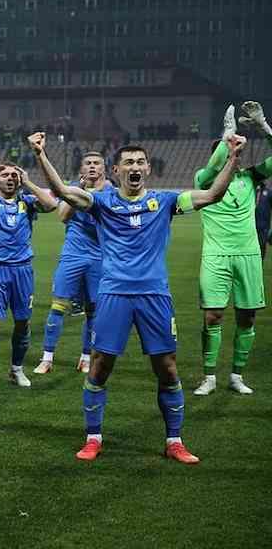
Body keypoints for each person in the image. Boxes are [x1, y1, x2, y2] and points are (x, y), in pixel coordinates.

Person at [31, 131, 241, 464]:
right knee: (100, 366)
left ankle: (174, 441)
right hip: (113, 294)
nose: (135, 166)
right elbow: (62, 192)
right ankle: (93, 438)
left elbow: (213, 194)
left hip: (154, 295)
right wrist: (41, 154)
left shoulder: (166, 201)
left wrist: (234, 157)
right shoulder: (102, 202)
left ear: (148, 169)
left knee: (167, 368)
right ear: (116, 171)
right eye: (128, 162)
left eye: (141, 162)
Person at [193, 103, 270, 396]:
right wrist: (228, 136)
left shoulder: (250, 177)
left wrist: (263, 126)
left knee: (247, 317)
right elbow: (215, 165)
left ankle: (236, 375)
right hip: (216, 255)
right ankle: (209, 377)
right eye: (225, 150)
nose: (230, 154)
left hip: (248, 254)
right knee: (212, 316)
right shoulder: (203, 179)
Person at [0, 161, 57, 393]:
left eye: (14, 175)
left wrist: (28, 182)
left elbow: (51, 204)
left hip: (22, 270)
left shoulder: (27, 202)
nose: (10, 178)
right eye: (5, 175)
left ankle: (16, 369)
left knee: (22, 322)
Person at [33, 152, 109, 375]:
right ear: (81, 169)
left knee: (93, 311)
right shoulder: (72, 190)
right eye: (88, 163)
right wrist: (81, 190)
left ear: (104, 168)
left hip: (99, 257)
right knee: (58, 306)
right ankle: (47, 358)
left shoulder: (112, 193)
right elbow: (63, 216)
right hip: (72, 256)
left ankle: (85, 358)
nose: (92, 166)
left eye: (97, 163)